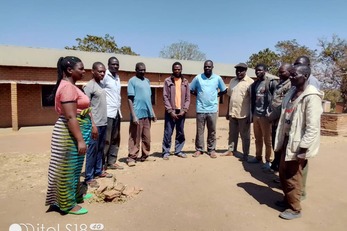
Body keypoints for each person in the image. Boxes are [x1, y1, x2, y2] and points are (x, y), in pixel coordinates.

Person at [45, 56, 94, 215]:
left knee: (75, 167)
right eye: (81, 68)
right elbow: (71, 117)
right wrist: (80, 140)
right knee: (67, 169)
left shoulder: (72, 86)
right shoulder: (67, 88)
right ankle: (66, 205)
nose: (84, 71)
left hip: (76, 132)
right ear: (69, 70)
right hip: (69, 135)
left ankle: (74, 195)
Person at [274, 64, 323, 220]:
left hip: (298, 143)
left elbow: (312, 127)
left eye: (295, 75)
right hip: (287, 139)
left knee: (293, 176)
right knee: (283, 173)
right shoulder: (292, 92)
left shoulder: (312, 97)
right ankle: (287, 199)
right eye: (291, 74)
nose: (291, 77)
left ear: (306, 76)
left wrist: (304, 148)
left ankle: (295, 209)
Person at [83, 62, 113, 189]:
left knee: (100, 149)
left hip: (103, 122)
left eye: (103, 71)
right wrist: (93, 125)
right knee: (92, 151)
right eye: (100, 71)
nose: (102, 73)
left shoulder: (101, 85)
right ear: (93, 71)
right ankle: (89, 177)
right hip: (94, 124)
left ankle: (98, 170)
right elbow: (86, 107)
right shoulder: (89, 87)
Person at [190, 60, 227, 158]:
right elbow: (191, 89)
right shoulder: (198, 78)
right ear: (203, 67)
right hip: (200, 109)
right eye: (205, 66)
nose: (207, 68)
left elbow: (224, 90)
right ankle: (199, 149)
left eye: (209, 67)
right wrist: (198, 95)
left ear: (212, 67)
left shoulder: (217, 78)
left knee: (212, 131)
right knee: (199, 131)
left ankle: (211, 150)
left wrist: (217, 95)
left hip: (213, 109)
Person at [221, 63, 253, 161]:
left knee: (245, 135)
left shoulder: (250, 82)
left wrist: (250, 116)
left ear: (245, 71)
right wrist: (227, 111)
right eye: (237, 70)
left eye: (241, 70)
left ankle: (245, 154)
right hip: (233, 112)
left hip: (244, 114)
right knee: (232, 133)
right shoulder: (232, 81)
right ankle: (231, 150)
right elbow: (229, 96)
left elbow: (252, 100)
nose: (239, 72)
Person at [127, 62, 157, 167]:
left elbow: (148, 99)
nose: (142, 71)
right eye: (140, 69)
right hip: (137, 114)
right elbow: (130, 99)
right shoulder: (132, 81)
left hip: (147, 114)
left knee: (146, 137)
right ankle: (132, 157)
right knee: (135, 137)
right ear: (136, 70)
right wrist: (133, 115)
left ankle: (145, 156)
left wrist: (152, 113)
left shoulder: (147, 81)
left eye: (144, 69)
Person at [249, 64, 277, 170]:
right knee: (257, 138)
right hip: (256, 115)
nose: (258, 72)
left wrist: (272, 113)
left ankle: (268, 160)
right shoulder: (254, 84)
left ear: (265, 70)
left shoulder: (271, 82)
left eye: (260, 70)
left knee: (267, 140)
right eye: (256, 70)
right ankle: (258, 157)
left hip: (266, 116)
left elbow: (276, 98)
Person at [265, 63, 292, 173]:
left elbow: (283, 105)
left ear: (290, 72)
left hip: (280, 119)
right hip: (274, 119)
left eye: (282, 72)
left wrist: (271, 116)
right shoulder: (280, 83)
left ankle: (280, 168)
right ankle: (275, 164)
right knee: (275, 143)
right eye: (279, 72)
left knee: (280, 144)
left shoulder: (290, 85)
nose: (280, 74)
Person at [162, 62, 190, 160]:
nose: (177, 71)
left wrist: (184, 110)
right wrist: (170, 111)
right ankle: (166, 151)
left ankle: (178, 150)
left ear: (181, 69)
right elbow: (165, 96)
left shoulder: (185, 81)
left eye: (178, 69)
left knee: (180, 132)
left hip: (181, 111)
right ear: (172, 70)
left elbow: (188, 98)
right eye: (175, 69)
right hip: (171, 111)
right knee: (168, 132)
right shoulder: (167, 81)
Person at [102, 57, 124, 170]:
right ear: (108, 64)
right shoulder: (104, 76)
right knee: (106, 139)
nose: (115, 66)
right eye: (113, 64)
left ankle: (112, 161)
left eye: (117, 64)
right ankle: (101, 164)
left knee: (115, 138)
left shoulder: (117, 77)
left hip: (116, 112)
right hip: (107, 112)